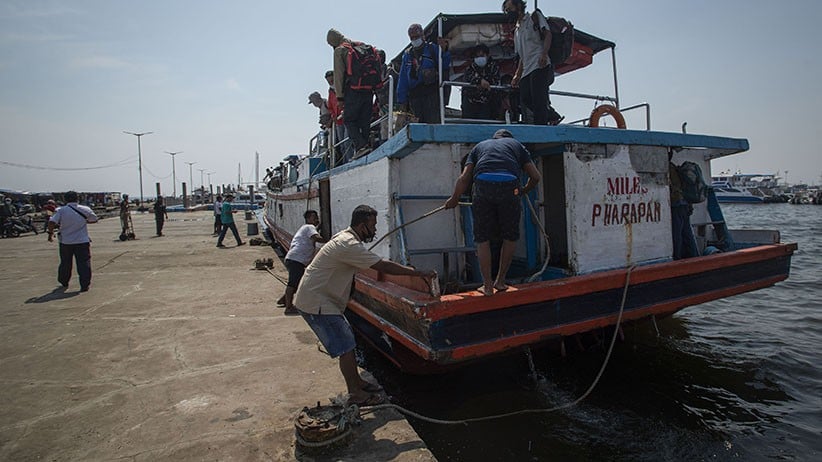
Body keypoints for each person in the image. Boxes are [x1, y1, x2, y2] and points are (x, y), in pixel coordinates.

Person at [293, 205, 435, 406]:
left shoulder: (345, 238)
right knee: (347, 346)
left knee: (348, 343)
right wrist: (417, 273)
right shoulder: (348, 244)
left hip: (320, 298)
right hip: (317, 302)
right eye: (372, 226)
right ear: (361, 226)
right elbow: (382, 266)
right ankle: (355, 393)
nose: (375, 230)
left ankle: (357, 382)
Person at [444, 129, 541, 296]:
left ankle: (487, 286)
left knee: (482, 238)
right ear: (509, 139)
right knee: (510, 236)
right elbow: (536, 176)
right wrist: (523, 191)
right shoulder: (516, 145)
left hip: (483, 186)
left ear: (494, 138)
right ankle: (500, 281)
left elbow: (464, 177)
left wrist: (454, 199)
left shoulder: (479, 147)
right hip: (510, 187)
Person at [503, 0, 563, 125]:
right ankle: (551, 115)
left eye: (510, 9)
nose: (509, 13)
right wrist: (517, 75)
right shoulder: (517, 31)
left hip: (539, 63)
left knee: (538, 98)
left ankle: (540, 126)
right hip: (526, 68)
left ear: (518, 6)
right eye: (506, 11)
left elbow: (548, 34)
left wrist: (544, 53)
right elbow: (522, 55)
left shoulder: (534, 17)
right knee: (525, 98)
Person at [327, 28, 376, 157]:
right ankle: (366, 147)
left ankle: (361, 147)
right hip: (368, 89)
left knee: (348, 120)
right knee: (364, 120)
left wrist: (340, 98)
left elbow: (339, 76)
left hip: (353, 90)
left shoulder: (340, 50)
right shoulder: (360, 45)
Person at [396, 23, 451, 124]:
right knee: (418, 125)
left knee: (433, 123)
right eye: (412, 38)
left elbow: (445, 66)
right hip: (415, 95)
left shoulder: (432, 49)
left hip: (432, 93)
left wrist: (444, 50)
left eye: (417, 37)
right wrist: (402, 100)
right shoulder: (407, 55)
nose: (415, 39)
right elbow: (403, 79)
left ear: (423, 35)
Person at [47, 190, 99, 292]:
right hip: (82, 240)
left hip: (66, 242)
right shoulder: (85, 209)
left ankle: (64, 281)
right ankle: (84, 284)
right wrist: (83, 222)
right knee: (84, 263)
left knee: (65, 263)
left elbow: (52, 222)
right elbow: (94, 219)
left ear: (65, 199)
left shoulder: (61, 210)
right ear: (78, 199)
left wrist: (50, 234)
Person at [281, 210, 327, 315]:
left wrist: (319, 226)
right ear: (308, 219)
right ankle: (288, 307)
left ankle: (283, 300)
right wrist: (330, 241)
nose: (317, 219)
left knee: (297, 282)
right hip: (296, 260)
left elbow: (315, 231)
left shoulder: (307, 228)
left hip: (294, 259)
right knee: (293, 283)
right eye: (314, 217)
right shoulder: (309, 227)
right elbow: (315, 237)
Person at [461, 44, 501, 120]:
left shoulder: (494, 67)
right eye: (477, 56)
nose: (479, 58)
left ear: (488, 55)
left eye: (482, 55)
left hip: (488, 104)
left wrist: (486, 84)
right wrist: (479, 81)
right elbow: (468, 77)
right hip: (471, 104)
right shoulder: (470, 68)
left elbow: (495, 81)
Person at [669, 153, 698, 260]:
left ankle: (677, 258)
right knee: (686, 232)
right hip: (685, 204)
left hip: (676, 205)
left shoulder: (668, 169)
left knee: (676, 234)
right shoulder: (676, 168)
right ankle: (693, 256)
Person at [325, 70, 353, 164]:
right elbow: (330, 106)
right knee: (341, 144)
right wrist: (333, 116)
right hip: (338, 121)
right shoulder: (330, 91)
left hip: (347, 117)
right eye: (329, 81)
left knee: (347, 141)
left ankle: (350, 160)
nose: (331, 83)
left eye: (332, 80)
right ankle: (345, 162)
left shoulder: (343, 86)